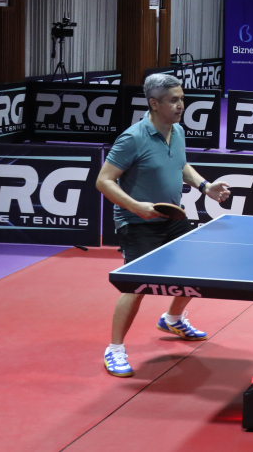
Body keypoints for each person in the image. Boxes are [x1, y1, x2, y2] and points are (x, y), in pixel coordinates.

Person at [96, 73, 232, 378]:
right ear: (154, 104)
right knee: (136, 285)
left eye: (182, 98)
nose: (181, 104)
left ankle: (172, 319)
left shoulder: (177, 131)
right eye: (173, 100)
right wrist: (136, 207)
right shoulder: (133, 138)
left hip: (172, 217)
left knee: (194, 269)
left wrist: (205, 186)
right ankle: (114, 349)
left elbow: (180, 165)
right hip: (137, 221)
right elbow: (103, 181)